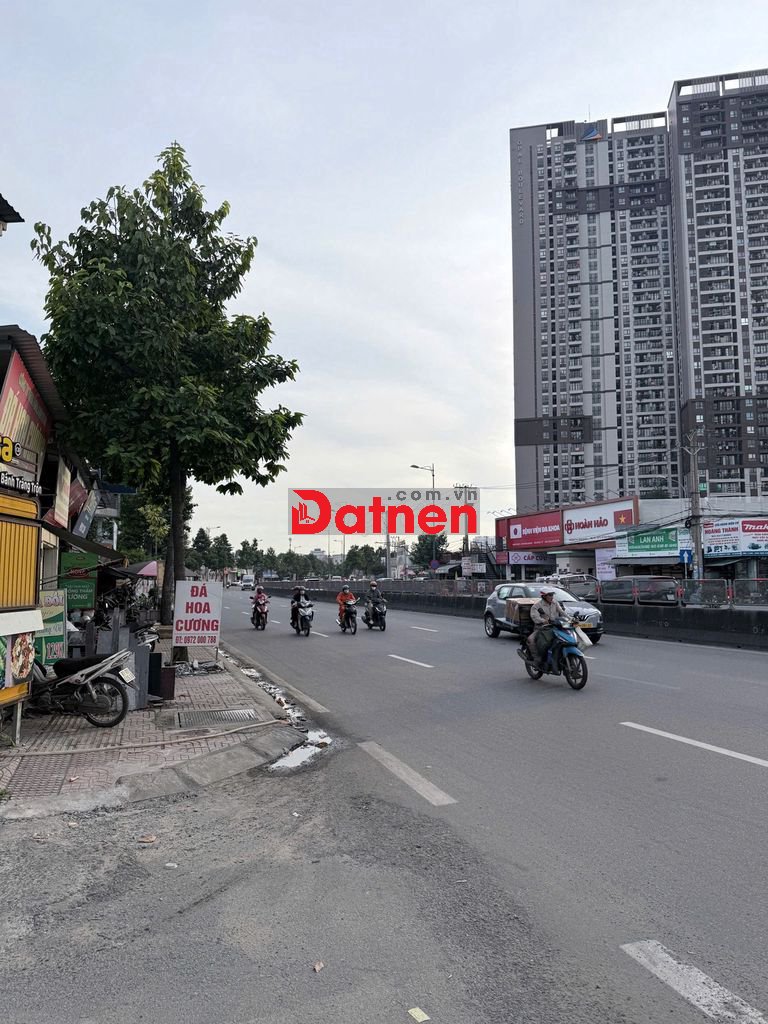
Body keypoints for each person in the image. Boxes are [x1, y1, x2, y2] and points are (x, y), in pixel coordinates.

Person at [527, 587, 566, 666]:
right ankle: (537, 659)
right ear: (544, 596)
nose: (552, 597)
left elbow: (562, 612)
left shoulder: (555, 603)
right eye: (550, 595)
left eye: (552, 595)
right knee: (530, 640)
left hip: (554, 627)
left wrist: (571, 619)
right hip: (541, 628)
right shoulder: (537, 606)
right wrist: (543, 620)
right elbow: (535, 617)